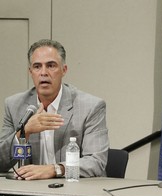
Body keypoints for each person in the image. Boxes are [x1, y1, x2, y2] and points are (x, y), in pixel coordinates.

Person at [0, 39, 109, 180]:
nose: (43, 73)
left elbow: (96, 162)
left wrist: (54, 169)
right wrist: (24, 132)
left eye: (51, 66)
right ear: (30, 72)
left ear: (64, 70)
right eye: (37, 67)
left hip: (75, 192)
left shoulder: (91, 106)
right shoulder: (14, 105)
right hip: (30, 192)